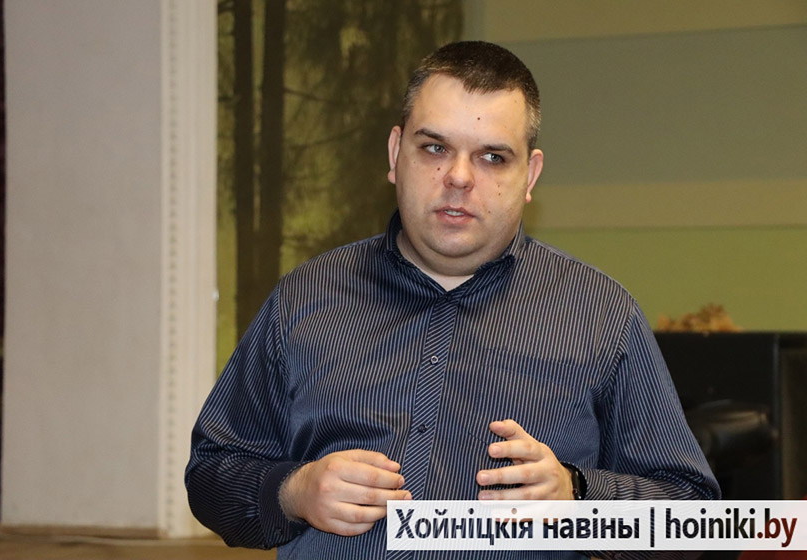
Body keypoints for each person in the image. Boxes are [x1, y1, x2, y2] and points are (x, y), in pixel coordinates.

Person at [185, 41, 719, 558]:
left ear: (530, 175)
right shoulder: (306, 298)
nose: (459, 177)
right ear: (396, 154)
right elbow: (211, 475)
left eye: (492, 157)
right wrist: (294, 492)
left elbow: (693, 518)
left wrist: (577, 496)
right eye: (435, 148)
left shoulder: (601, 315)